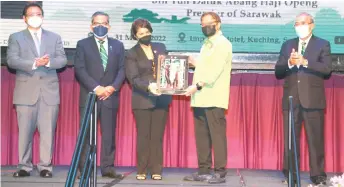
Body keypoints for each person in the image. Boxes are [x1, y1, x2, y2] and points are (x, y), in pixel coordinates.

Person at [6, 3, 67, 178]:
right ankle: (24, 166)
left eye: (38, 14)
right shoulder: (16, 37)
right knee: (24, 132)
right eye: (31, 14)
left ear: (43, 17)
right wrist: (34, 63)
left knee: (48, 132)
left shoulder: (54, 37)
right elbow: (12, 60)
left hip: (49, 92)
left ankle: (45, 167)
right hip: (25, 92)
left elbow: (62, 59)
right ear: (24, 18)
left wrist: (47, 62)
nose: (35, 17)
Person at [274, 12, 332, 186]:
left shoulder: (323, 44)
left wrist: (305, 61)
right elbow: (278, 72)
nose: (300, 26)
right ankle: (291, 172)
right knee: (290, 140)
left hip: (313, 99)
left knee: (315, 139)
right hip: (291, 99)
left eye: (303, 23)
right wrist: (290, 63)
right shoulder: (287, 45)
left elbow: (327, 69)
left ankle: (318, 175)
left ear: (311, 25)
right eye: (297, 23)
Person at [74, 11, 125, 179]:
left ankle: (108, 167)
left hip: (110, 96)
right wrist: (96, 88)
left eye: (104, 23)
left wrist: (111, 88)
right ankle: (85, 168)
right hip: (90, 96)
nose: (100, 26)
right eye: (97, 23)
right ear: (91, 26)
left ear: (109, 26)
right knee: (87, 134)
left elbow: (122, 69)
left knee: (109, 134)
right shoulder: (83, 44)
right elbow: (80, 69)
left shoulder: (118, 45)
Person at [183, 12, 232, 184]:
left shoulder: (222, 43)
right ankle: (203, 169)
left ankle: (220, 172)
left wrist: (196, 86)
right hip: (200, 98)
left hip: (214, 96)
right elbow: (205, 67)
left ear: (218, 24)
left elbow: (214, 71)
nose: (205, 27)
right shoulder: (206, 44)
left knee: (217, 136)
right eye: (202, 24)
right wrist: (194, 63)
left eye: (208, 23)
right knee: (202, 136)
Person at [125, 18, 172, 180]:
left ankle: (156, 169)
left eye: (147, 32)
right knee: (144, 135)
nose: (145, 35)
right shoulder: (131, 53)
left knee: (157, 136)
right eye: (141, 33)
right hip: (142, 99)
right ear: (135, 35)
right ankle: (142, 169)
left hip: (161, 99)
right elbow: (133, 78)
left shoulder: (161, 47)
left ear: (151, 31)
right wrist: (149, 86)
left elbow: (169, 70)